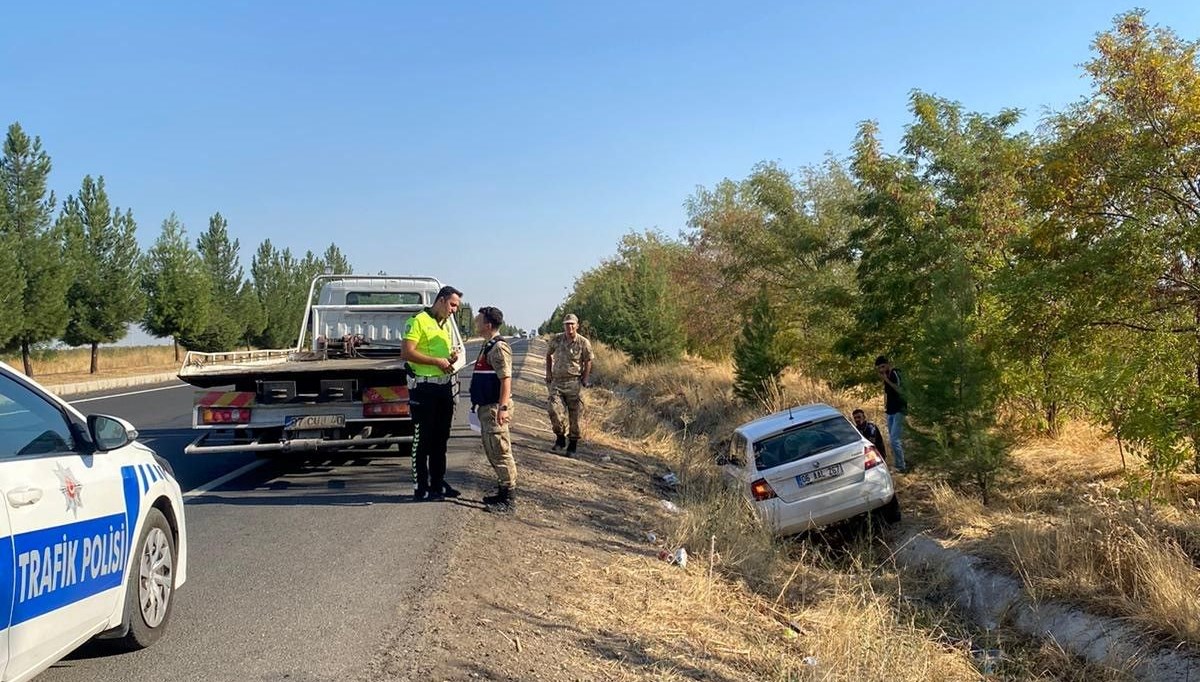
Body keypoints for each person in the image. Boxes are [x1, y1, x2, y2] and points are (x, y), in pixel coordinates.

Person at [402, 285, 464, 501]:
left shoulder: (445, 324)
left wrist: (450, 358)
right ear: (441, 300)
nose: (454, 310)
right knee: (423, 440)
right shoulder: (418, 320)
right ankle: (421, 488)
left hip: (444, 386)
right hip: (424, 388)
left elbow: (443, 354)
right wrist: (436, 361)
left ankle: (438, 484)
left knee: (441, 439)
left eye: (457, 306)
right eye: (452, 305)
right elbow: (407, 352)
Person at [469, 306, 517, 513]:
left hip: (494, 408)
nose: (476, 323)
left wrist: (503, 408)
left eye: (479, 320)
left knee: (501, 452)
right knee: (492, 451)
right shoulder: (487, 345)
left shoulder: (498, 348)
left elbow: (505, 379)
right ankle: (501, 492)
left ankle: (509, 500)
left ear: (488, 324)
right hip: (486, 408)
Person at [545, 313, 593, 456]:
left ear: (577, 326)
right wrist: (548, 373)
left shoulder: (583, 342)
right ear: (564, 326)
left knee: (574, 415)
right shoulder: (557, 339)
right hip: (557, 382)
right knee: (553, 410)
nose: (569, 327)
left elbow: (588, 360)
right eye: (567, 324)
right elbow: (548, 354)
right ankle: (560, 437)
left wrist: (585, 378)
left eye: (572, 324)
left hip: (573, 382)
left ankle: (572, 445)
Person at [875, 356, 908, 472]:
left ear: (888, 364)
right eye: (879, 368)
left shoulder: (895, 374)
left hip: (899, 410)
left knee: (894, 439)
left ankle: (901, 466)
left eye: (883, 366)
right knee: (893, 438)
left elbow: (900, 390)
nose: (882, 370)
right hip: (890, 410)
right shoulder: (886, 376)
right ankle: (901, 461)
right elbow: (887, 393)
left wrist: (887, 380)